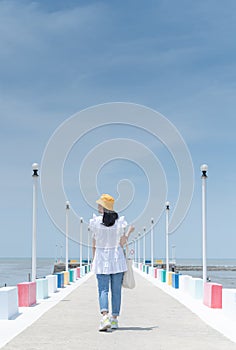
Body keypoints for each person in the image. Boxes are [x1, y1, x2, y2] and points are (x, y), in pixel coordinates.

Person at [90, 193, 134, 331]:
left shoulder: (96, 223)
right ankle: (114, 319)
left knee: (103, 289)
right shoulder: (119, 223)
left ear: (103, 207)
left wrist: (94, 259)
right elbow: (121, 243)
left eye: (99, 204)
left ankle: (104, 317)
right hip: (117, 259)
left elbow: (94, 244)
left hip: (102, 259)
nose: (97, 206)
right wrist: (129, 233)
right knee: (116, 291)